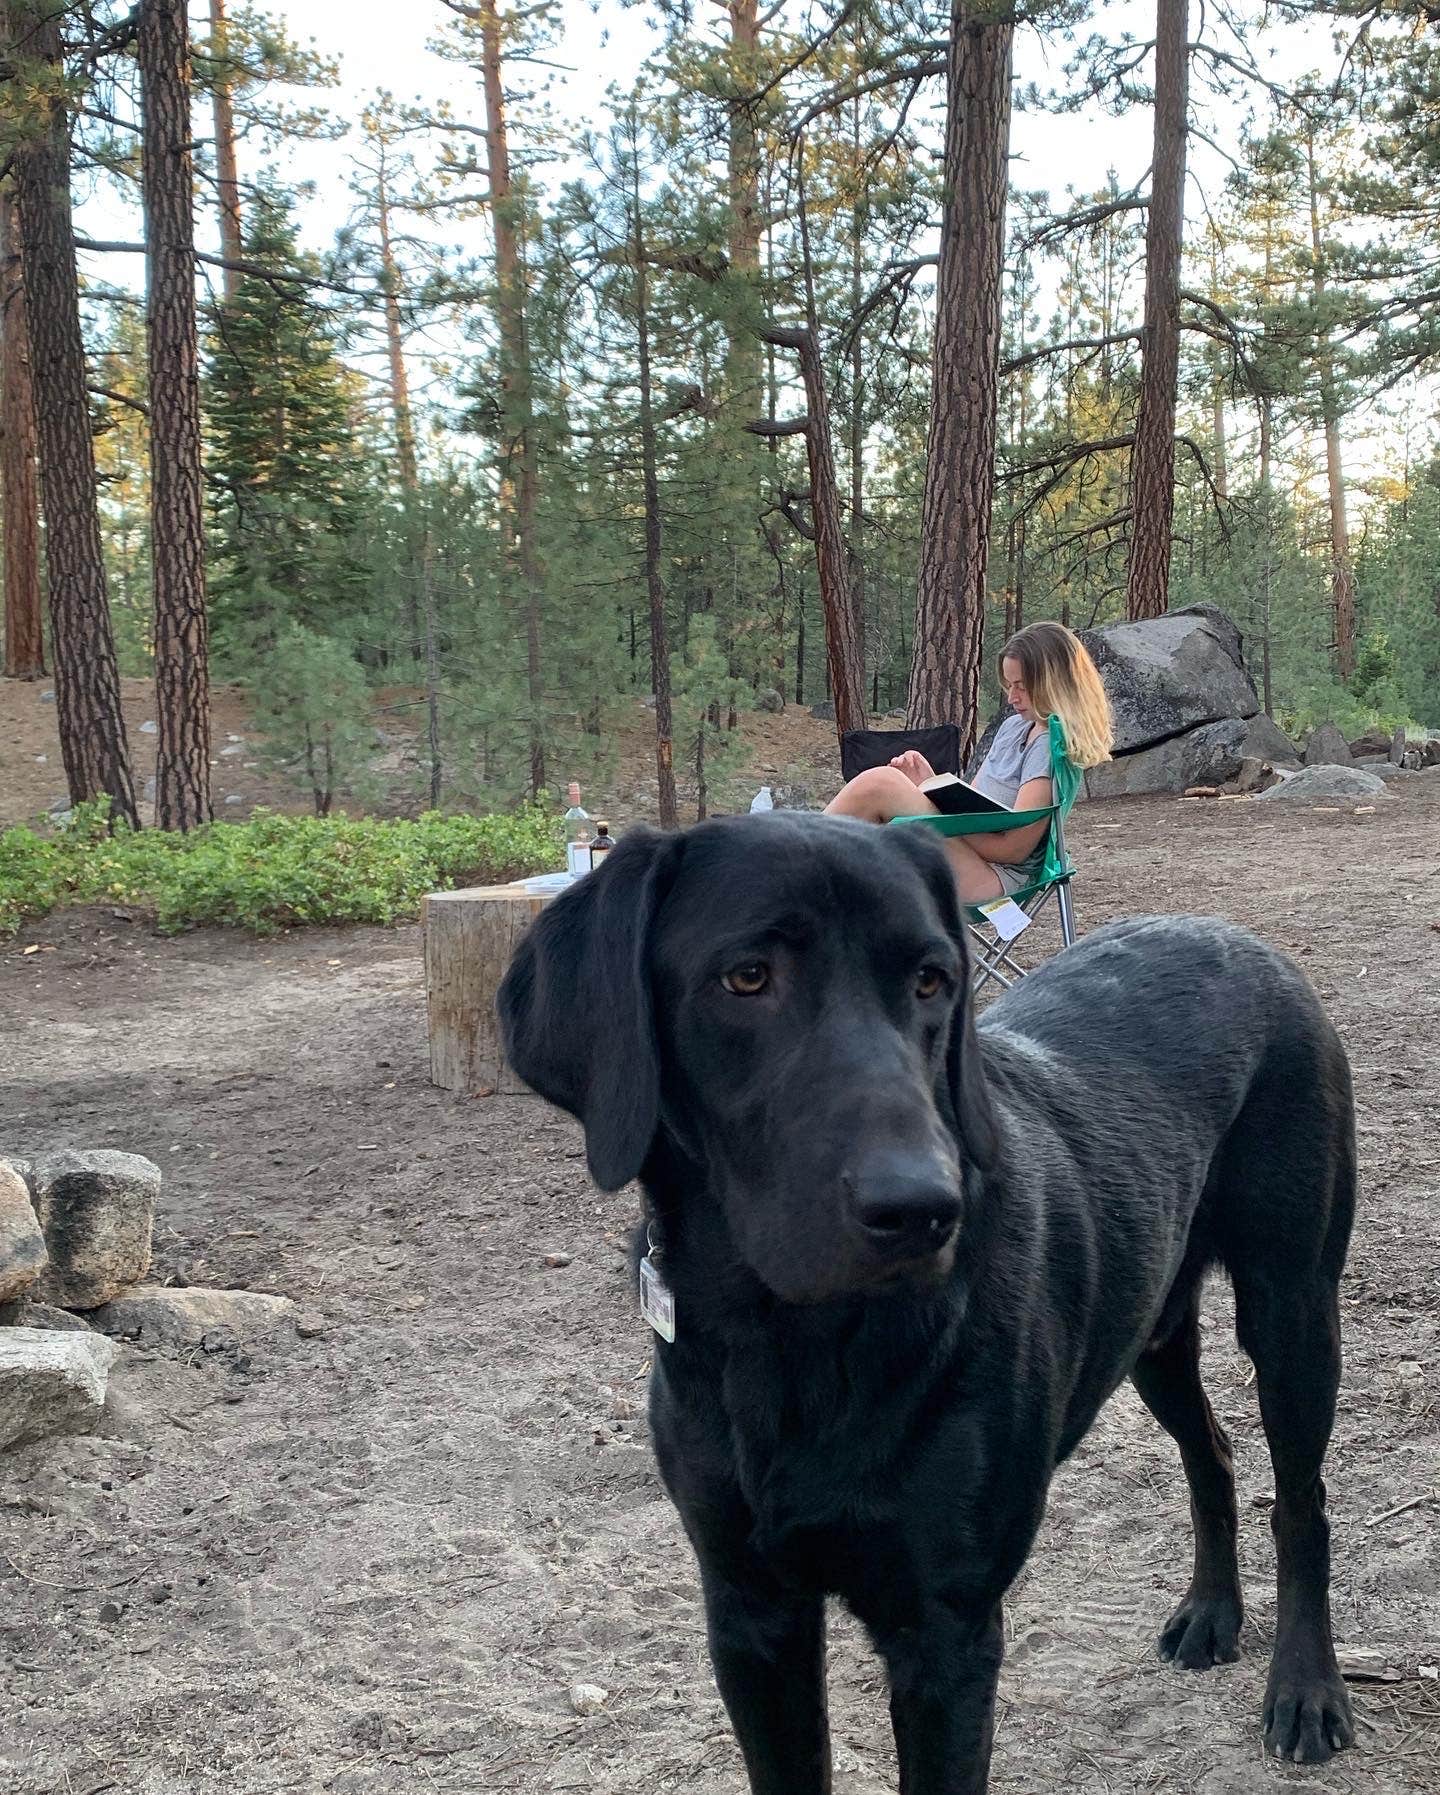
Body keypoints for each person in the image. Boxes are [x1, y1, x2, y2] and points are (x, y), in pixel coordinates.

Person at [824, 621, 1113, 903]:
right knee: (872, 813)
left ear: (1054, 684)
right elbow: (973, 802)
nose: (1011, 697)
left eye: (1022, 686)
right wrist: (929, 785)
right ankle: (800, 874)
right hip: (967, 857)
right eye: (1008, 685)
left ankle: (790, 857)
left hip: (994, 878)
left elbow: (1012, 849)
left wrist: (936, 816)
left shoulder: (1050, 747)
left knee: (881, 786)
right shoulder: (1013, 728)